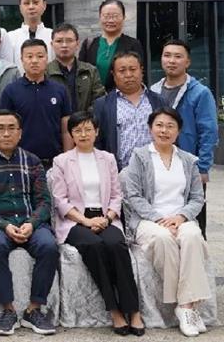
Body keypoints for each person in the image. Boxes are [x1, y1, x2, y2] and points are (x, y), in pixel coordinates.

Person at [50, 111, 144, 336]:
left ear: (96, 132)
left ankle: (133, 311)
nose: (83, 134)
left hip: (105, 217)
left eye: (88, 129)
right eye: (77, 130)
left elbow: (117, 195)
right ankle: (114, 310)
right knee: (94, 246)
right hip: (75, 221)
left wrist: (108, 218)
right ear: (71, 134)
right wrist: (85, 220)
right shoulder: (61, 161)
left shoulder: (107, 159)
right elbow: (60, 200)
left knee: (116, 245)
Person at [121, 108, 210, 338]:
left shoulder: (188, 160)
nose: (164, 130)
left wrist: (180, 217)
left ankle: (184, 307)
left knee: (192, 236)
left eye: (170, 126)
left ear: (178, 131)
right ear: (150, 129)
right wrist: (159, 219)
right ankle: (188, 305)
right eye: (159, 125)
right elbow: (133, 195)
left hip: (181, 218)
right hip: (148, 220)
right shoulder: (140, 157)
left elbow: (197, 198)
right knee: (163, 238)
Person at [0, 110, 58, 336]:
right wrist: (4, 225)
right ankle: (8, 310)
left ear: (20, 133)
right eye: (0, 128)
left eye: (11, 128)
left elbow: (44, 201)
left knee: (49, 246)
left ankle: (33, 310)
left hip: (30, 222)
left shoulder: (33, 161)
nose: (6, 133)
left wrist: (31, 223)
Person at [150, 39, 218, 237]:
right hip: (160, 163)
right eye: (167, 55)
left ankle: (197, 252)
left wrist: (202, 167)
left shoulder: (200, 93)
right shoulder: (153, 91)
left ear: (187, 62)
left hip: (189, 165)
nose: (171, 60)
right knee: (163, 214)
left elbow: (209, 132)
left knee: (193, 218)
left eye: (178, 56)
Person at [0, 39, 72, 169]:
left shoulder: (60, 90)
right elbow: (4, 129)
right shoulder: (11, 91)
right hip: (20, 162)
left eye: (40, 56)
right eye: (29, 56)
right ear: (22, 60)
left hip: (54, 162)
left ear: (47, 58)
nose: (34, 61)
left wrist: (67, 159)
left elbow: (66, 129)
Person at [93, 51, 166, 169]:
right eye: (122, 71)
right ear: (113, 74)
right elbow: (97, 142)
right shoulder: (102, 105)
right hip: (119, 172)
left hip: (156, 170)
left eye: (133, 69)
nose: (128, 75)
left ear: (141, 71)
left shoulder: (158, 101)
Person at [79, 0, 145, 91]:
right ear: (100, 17)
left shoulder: (133, 44)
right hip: (92, 97)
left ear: (124, 17)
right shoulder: (89, 44)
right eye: (106, 16)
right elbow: (80, 74)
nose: (110, 20)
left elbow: (141, 75)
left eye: (115, 16)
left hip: (121, 96)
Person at [47, 23, 106, 112]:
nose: (64, 45)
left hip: (86, 120)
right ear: (52, 44)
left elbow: (100, 100)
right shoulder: (45, 72)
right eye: (59, 41)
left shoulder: (90, 71)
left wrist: (86, 117)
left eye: (69, 41)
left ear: (77, 44)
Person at [7, 0, 54, 74]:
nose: (31, 7)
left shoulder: (53, 36)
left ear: (44, 5)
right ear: (20, 7)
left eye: (35, 2)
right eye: (26, 3)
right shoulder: (10, 37)